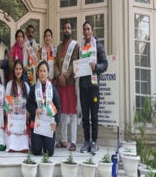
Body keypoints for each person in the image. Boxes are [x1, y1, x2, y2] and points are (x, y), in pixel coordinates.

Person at [79, 21, 108, 154]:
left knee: (94, 116)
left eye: (88, 29)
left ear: (92, 31)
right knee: (85, 116)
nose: (86, 32)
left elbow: (105, 64)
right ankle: (86, 142)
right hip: (83, 86)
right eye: (84, 29)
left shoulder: (98, 46)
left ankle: (94, 141)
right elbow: (79, 65)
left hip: (94, 86)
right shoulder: (81, 47)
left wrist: (96, 67)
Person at [27, 61, 61, 156]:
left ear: (47, 73)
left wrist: (56, 122)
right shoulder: (33, 88)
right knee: (36, 151)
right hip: (37, 124)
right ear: (37, 73)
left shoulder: (53, 89)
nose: (42, 73)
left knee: (49, 152)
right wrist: (34, 110)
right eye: (40, 71)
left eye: (44, 71)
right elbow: (28, 104)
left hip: (48, 125)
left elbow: (58, 107)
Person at [54, 21, 79, 151]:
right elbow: (56, 64)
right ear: (62, 31)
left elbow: (75, 63)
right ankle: (63, 140)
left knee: (72, 113)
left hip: (70, 83)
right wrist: (59, 75)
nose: (66, 30)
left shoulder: (75, 46)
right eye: (64, 28)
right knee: (62, 112)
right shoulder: (59, 47)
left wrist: (65, 76)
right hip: (60, 84)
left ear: (71, 30)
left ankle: (73, 141)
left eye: (68, 28)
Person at [5, 59, 30, 152]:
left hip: (22, 122)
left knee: (24, 147)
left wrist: (26, 122)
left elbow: (29, 108)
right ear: (14, 70)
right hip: (12, 121)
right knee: (11, 145)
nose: (18, 71)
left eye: (20, 69)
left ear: (22, 70)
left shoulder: (26, 86)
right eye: (16, 69)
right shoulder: (9, 85)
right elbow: (6, 106)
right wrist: (8, 124)